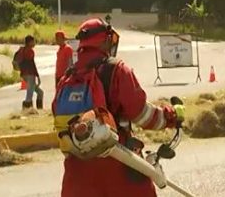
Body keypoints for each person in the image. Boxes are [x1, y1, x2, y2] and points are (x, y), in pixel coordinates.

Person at [55, 18, 184, 197]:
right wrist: (172, 116)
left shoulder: (66, 79)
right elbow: (143, 115)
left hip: (76, 176)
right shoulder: (117, 70)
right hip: (118, 166)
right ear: (107, 40)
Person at [20, 35, 44, 110]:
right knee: (29, 94)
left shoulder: (22, 50)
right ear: (29, 42)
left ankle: (39, 109)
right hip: (30, 74)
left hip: (24, 74)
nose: (34, 43)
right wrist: (37, 76)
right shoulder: (30, 51)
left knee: (40, 92)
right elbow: (32, 64)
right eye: (33, 41)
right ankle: (27, 110)